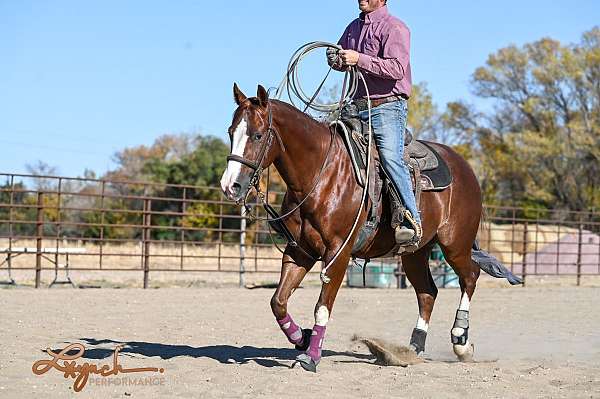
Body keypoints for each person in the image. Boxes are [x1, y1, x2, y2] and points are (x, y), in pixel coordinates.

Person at [327, 0, 421, 244]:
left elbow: (396, 68)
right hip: (356, 105)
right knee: (329, 149)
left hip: (387, 106)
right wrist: (335, 58)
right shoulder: (352, 28)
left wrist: (358, 58)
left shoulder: (395, 28)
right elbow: (342, 61)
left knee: (391, 159)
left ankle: (411, 220)